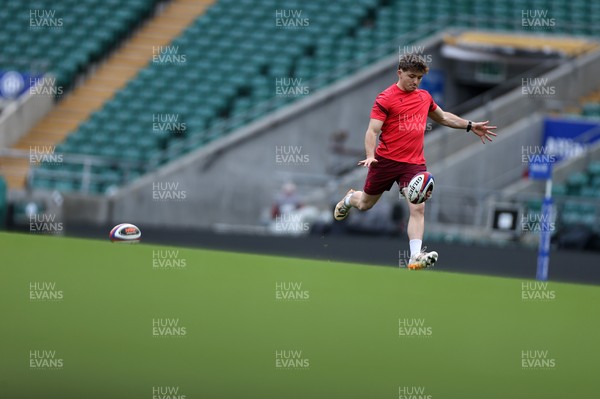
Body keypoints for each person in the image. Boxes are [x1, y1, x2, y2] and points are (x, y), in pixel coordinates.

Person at [333, 54, 497, 269]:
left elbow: (443, 117)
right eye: (412, 76)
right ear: (399, 73)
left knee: (417, 208)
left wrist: (469, 124)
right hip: (384, 161)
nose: (416, 81)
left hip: (413, 164)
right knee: (365, 204)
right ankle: (348, 199)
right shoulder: (385, 98)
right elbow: (373, 130)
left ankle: (415, 256)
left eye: (419, 77)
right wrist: (370, 155)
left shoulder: (424, 97)